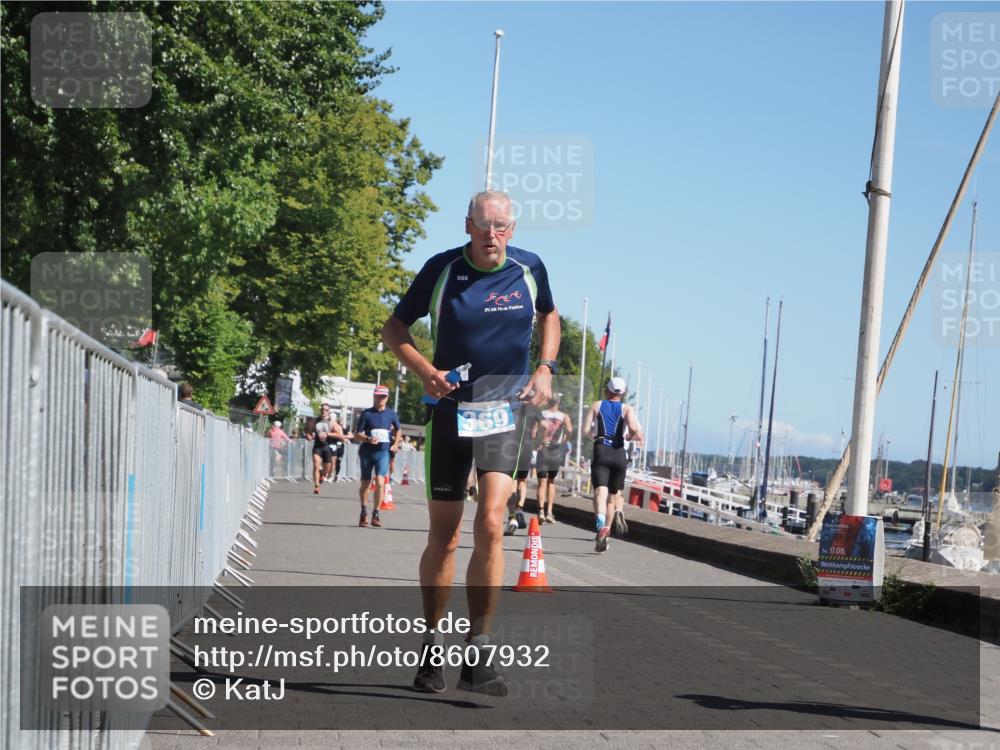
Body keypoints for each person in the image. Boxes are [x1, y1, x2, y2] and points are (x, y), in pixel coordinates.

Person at [382, 190, 559, 695]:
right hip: (450, 412)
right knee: (446, 535)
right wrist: (424, 370)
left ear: (514, 229)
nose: (492, 235)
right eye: (484, 226)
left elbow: (549, 315)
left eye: (502, 226)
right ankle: (432, 644)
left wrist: (544, 368)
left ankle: (479, 649)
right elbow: (393, 328)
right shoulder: (441, 270)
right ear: (467, 226)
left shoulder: (530, 268)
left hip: (503, 410)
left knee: (492, 521)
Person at [583, 377, 643, 553]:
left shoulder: (596, 405)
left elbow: (586, 430)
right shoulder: (627, 408)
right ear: (623, 394)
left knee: (599, 493)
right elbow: (633, 429)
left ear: (606, 390)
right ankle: (607, 533)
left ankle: (600, 525)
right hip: (619, 453)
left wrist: (594, 437)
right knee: (612, 497)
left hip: (601, 449)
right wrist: (630, 437)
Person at [353, 385, 402, 527]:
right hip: (367, 452)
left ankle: (376, 513)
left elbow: (399, 429)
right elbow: (357, 433)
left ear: (387, 398)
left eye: (383, 396)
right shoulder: (366, 414)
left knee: (381, 483)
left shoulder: (391, 414)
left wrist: (396, 444)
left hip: (383, 452)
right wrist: (368, 439)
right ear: (374, 396)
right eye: (378, 396)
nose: (380, 399)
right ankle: (363, 512)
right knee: (366, 484)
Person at [534, 393, 572, 525]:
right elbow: (569, 430)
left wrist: (540, 442)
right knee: (551, 482)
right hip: (556, 450)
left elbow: (533, 433)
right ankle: (549, 512)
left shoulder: (542, 414)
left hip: (544, 448)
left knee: (542, 482)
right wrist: (563, 442)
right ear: (559, 402)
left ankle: (540, 511)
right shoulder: (564, 416)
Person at [504, 405, 538, 535]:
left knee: (511, 482)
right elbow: (537, 431)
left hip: (510, 448)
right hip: (527, 448)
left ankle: (512, 518)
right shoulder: (534, 409)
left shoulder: (509, 404)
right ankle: (519, 509)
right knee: (522, 481)